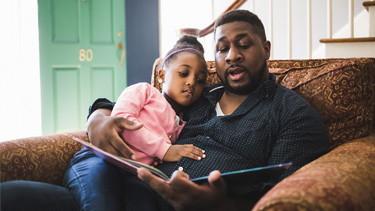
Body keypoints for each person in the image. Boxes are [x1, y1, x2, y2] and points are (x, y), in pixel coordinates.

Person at [0, 9, 329, 211]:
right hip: (123, 188)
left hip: (162, 204)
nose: (232, 55)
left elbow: (282, 196)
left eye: (244, 45)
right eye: (222, 48)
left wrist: (223, 206)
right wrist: (97, 118)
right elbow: (134, 105)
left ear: (266, 48)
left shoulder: (291, 113)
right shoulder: (199, 96)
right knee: (10, 196)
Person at [111, 35, 207, 165]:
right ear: (162, 76)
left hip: (134, 172)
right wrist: (164, 150)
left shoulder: (182, 124)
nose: (191, 82)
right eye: (183, 73)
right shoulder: (144, 91)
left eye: (200, 80)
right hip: (104, 160)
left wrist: (155, 158)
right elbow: (121, 121)